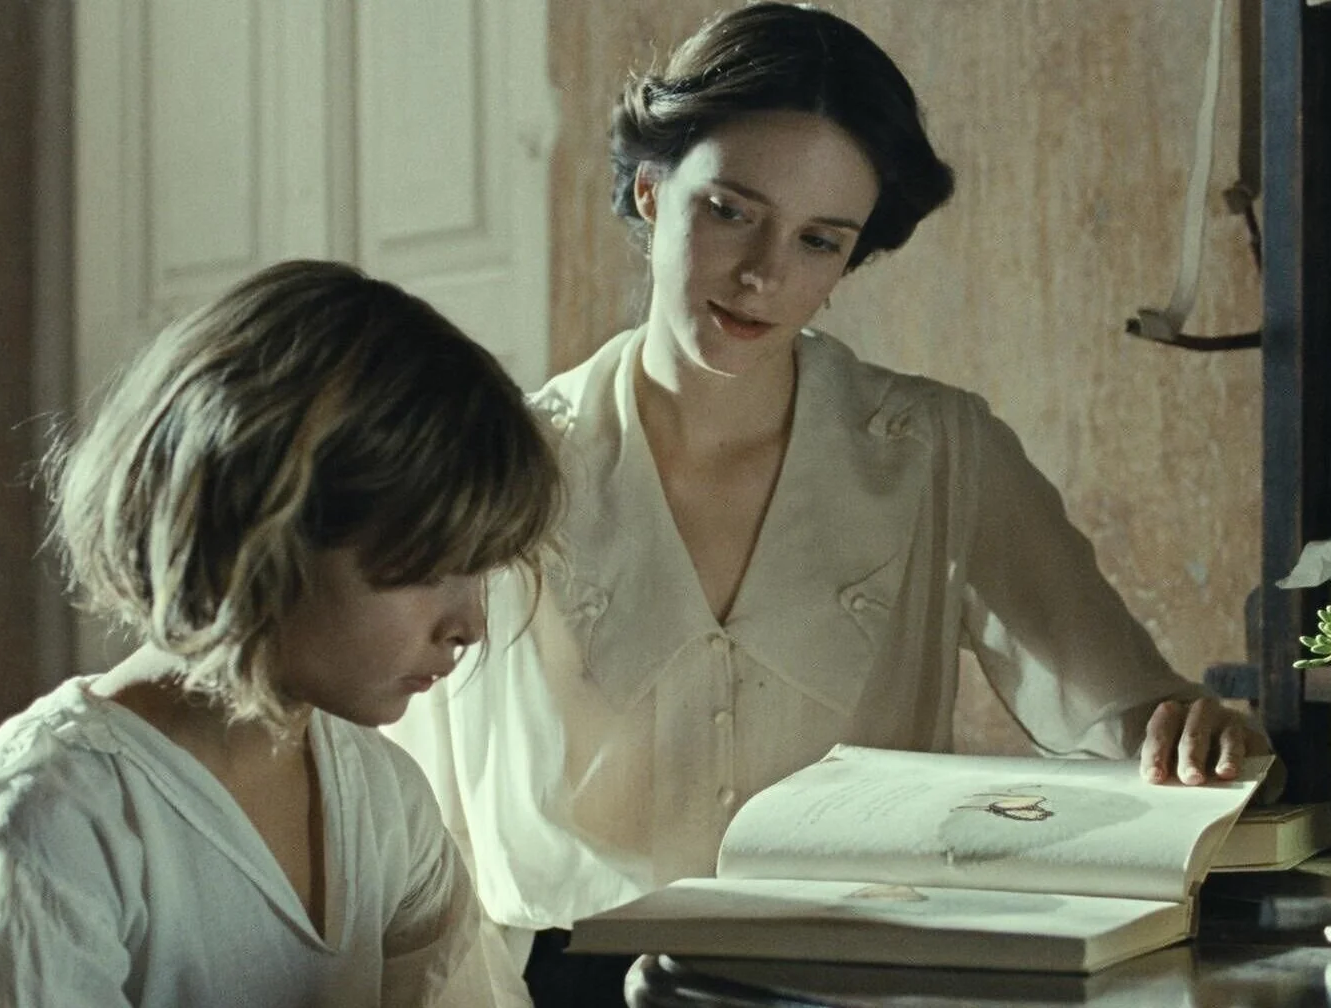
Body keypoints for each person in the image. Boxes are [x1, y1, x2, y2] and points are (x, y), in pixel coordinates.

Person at [389, 5, 1274, 1004]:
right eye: (730, 211)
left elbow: (1121, 708)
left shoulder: (941, 452)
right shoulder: (508, 460)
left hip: (852, 983)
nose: (764, 273)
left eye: (819, 240)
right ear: (649, 189)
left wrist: (1188, 733)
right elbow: (411, 803)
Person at [0, 260, 560, 1007]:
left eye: (481, 573)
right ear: (259, 533)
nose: (469, 626)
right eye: (430, 567)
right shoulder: (55, 820)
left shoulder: (385, 799)